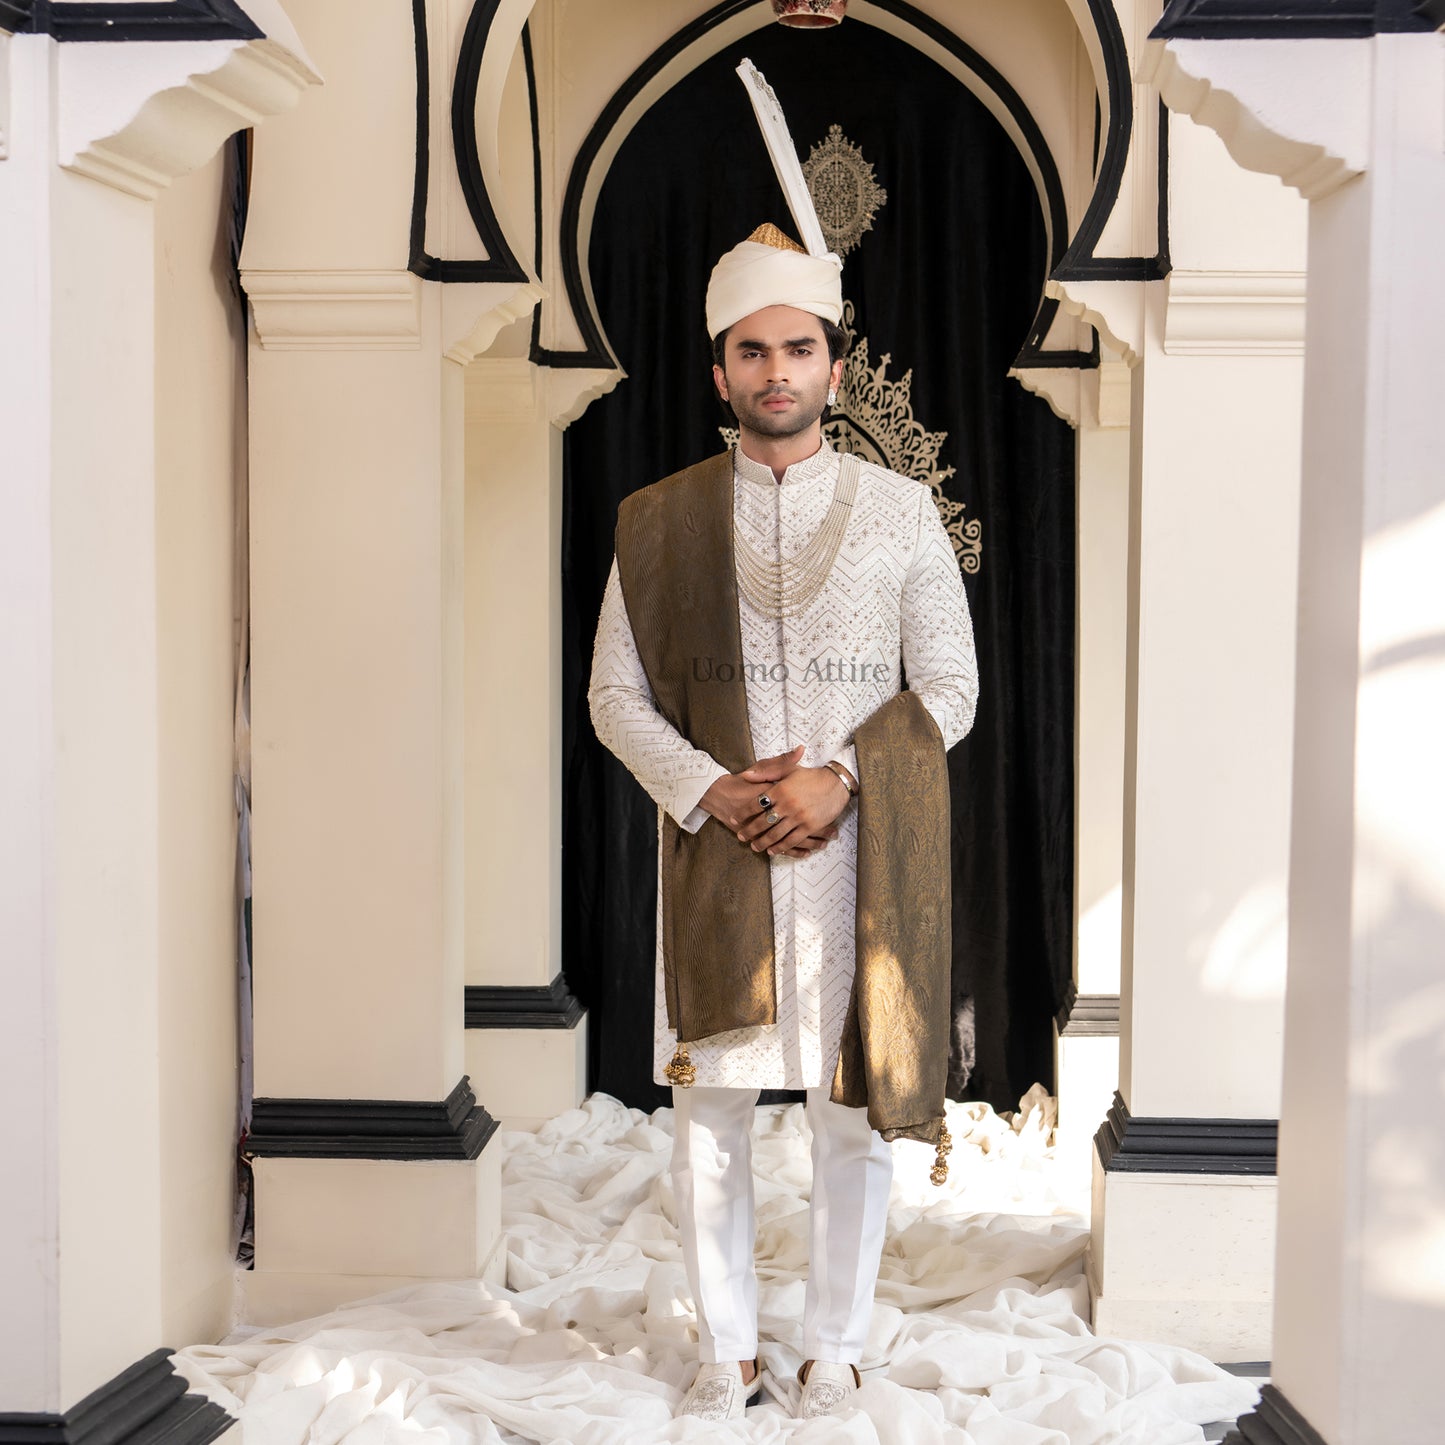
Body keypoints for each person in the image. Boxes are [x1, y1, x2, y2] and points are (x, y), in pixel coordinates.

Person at [586, 62, 978, 1422]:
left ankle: (836, 1342)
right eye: (749, 350)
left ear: (830, 358)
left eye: (795, 348)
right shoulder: (654, 520)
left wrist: (837, 778)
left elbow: (953, 684)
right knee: (708, 1124)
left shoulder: (896, 513)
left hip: (854, 857)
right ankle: (723, 1349)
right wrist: (710, 790)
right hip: (713, 857)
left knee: (848, 1115)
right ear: (719, 366)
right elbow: (613, 698)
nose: (774, 371)